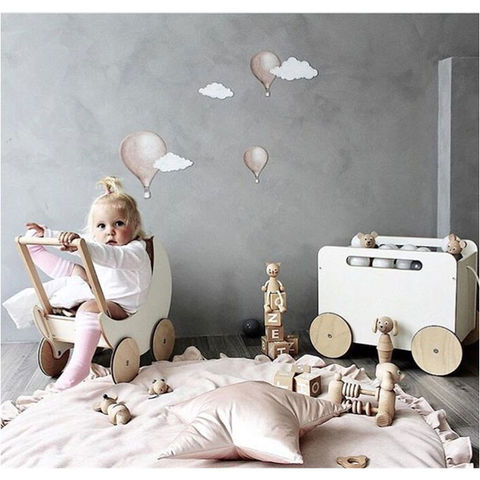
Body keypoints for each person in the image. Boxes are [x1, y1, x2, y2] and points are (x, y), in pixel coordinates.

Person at [25, 176, 152, 391]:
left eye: (119, 224)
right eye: (101, 226)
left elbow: (109, 256)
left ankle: (80, 365)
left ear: (135, 226)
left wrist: (81, 245)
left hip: (124, 307)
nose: (110, 231)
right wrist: (49, 235)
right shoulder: (97, 242)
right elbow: (83, 242)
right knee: (77, 273)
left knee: (88, 307)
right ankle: (35, 248)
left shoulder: (135, 251)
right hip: (101, 294)